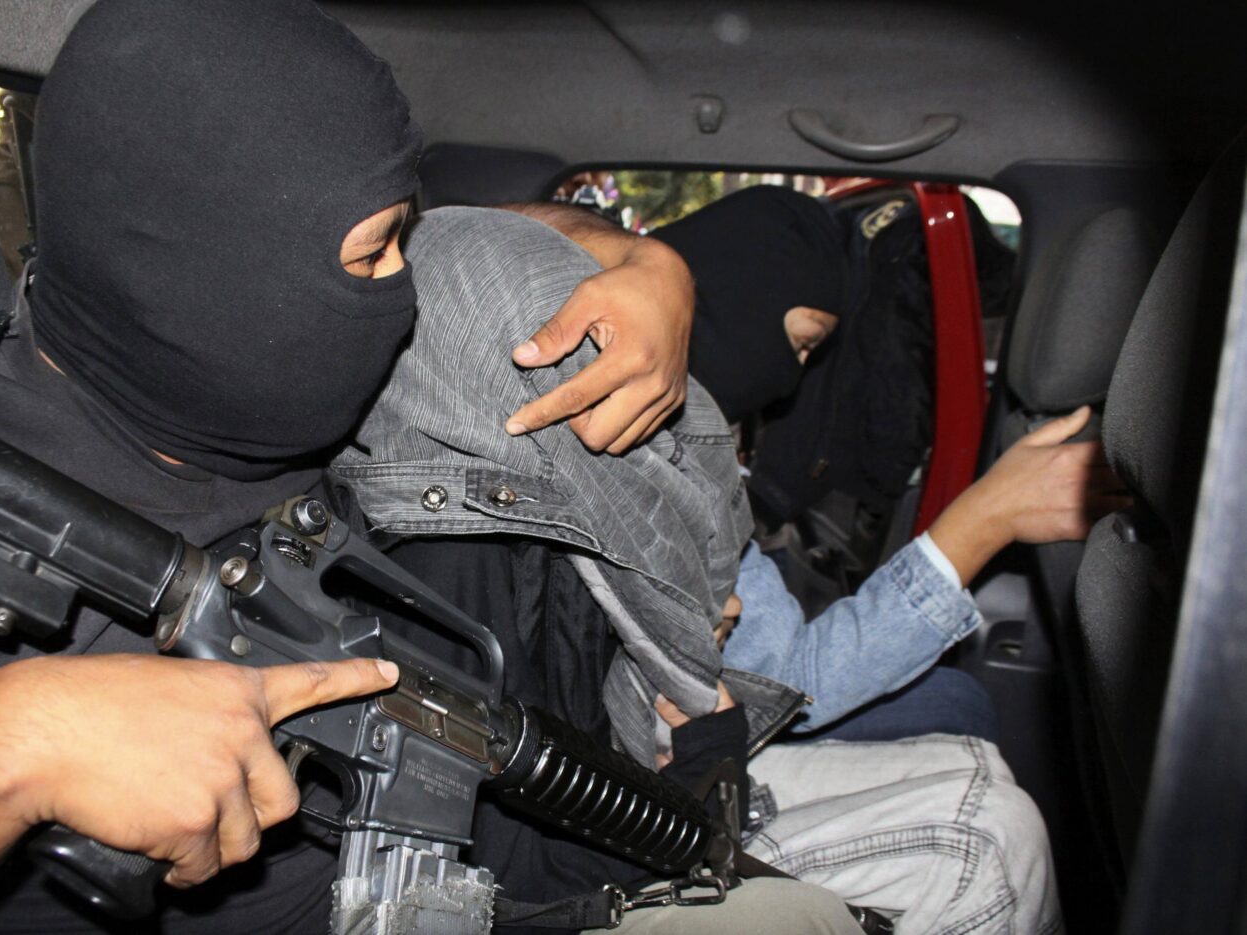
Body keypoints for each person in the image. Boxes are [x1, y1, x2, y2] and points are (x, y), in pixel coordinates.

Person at [0, 2, 699, 933]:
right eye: (374, 252)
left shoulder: (243, 375)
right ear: (212, 271)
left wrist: (645, 262)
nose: (404, 289)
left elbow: (470, 248)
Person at [333, 204, 1117, 934]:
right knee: (988, 837)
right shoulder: (455, 565)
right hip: (646, 821)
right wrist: (708, 733)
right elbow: (528, 877)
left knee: (975, 757)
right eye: (801, 341)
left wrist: (654, 267)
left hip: (653, 786)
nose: (793, 376)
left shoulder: (618, 480)